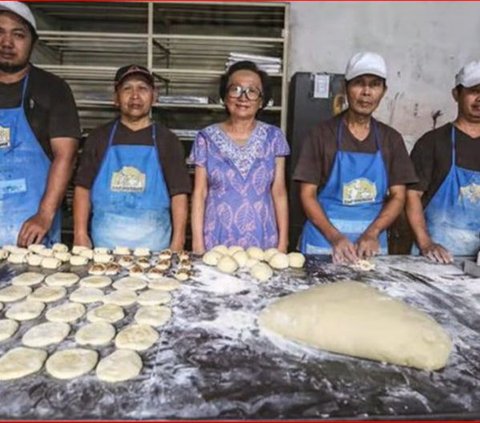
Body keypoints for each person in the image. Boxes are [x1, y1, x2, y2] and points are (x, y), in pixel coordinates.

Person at [294, 52, 417, 263]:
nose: (366, 92)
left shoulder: (391, 139)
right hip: (324, 244)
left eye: (375, 84)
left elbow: (399, 196)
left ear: (383, 91)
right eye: (359, 83)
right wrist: (335, 237)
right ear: (345, 86)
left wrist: (372, 233)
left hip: (370, 246)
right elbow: (307, 194)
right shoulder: (322, 135)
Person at [73, 64, 191, 251]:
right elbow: (83, 188)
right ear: (116, 98)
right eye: (127, 88)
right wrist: (80, 234)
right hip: (104, 250)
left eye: (142, 88)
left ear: (154, 96)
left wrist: (178, 242)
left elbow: (179, 195)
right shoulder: (99, 138)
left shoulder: (167, 140)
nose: (135, 95)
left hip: (156, 250)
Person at [0, 1, 80, 247]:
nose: (7, 42)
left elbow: (66, 156)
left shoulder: (53, 89)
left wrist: (44, 214)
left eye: (18, 35)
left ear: (33, 43)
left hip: (31, 228)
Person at [190, 60, 289, 254]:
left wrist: (283, 242)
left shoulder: (274, 137)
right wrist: (197, 243)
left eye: (252, 91)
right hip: (216, 238)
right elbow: (200, 193)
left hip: (263, 238)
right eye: (235, 89)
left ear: (261, 101)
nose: (243, 97)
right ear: (225, 97)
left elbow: (279, 192)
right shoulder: (206, 138)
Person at [406, 60, 480, 263]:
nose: (479, 98)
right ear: (456, 94)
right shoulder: (433, 142)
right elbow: (412, 196)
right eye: (473, 91)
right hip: (434, 257)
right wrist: (426, 243)